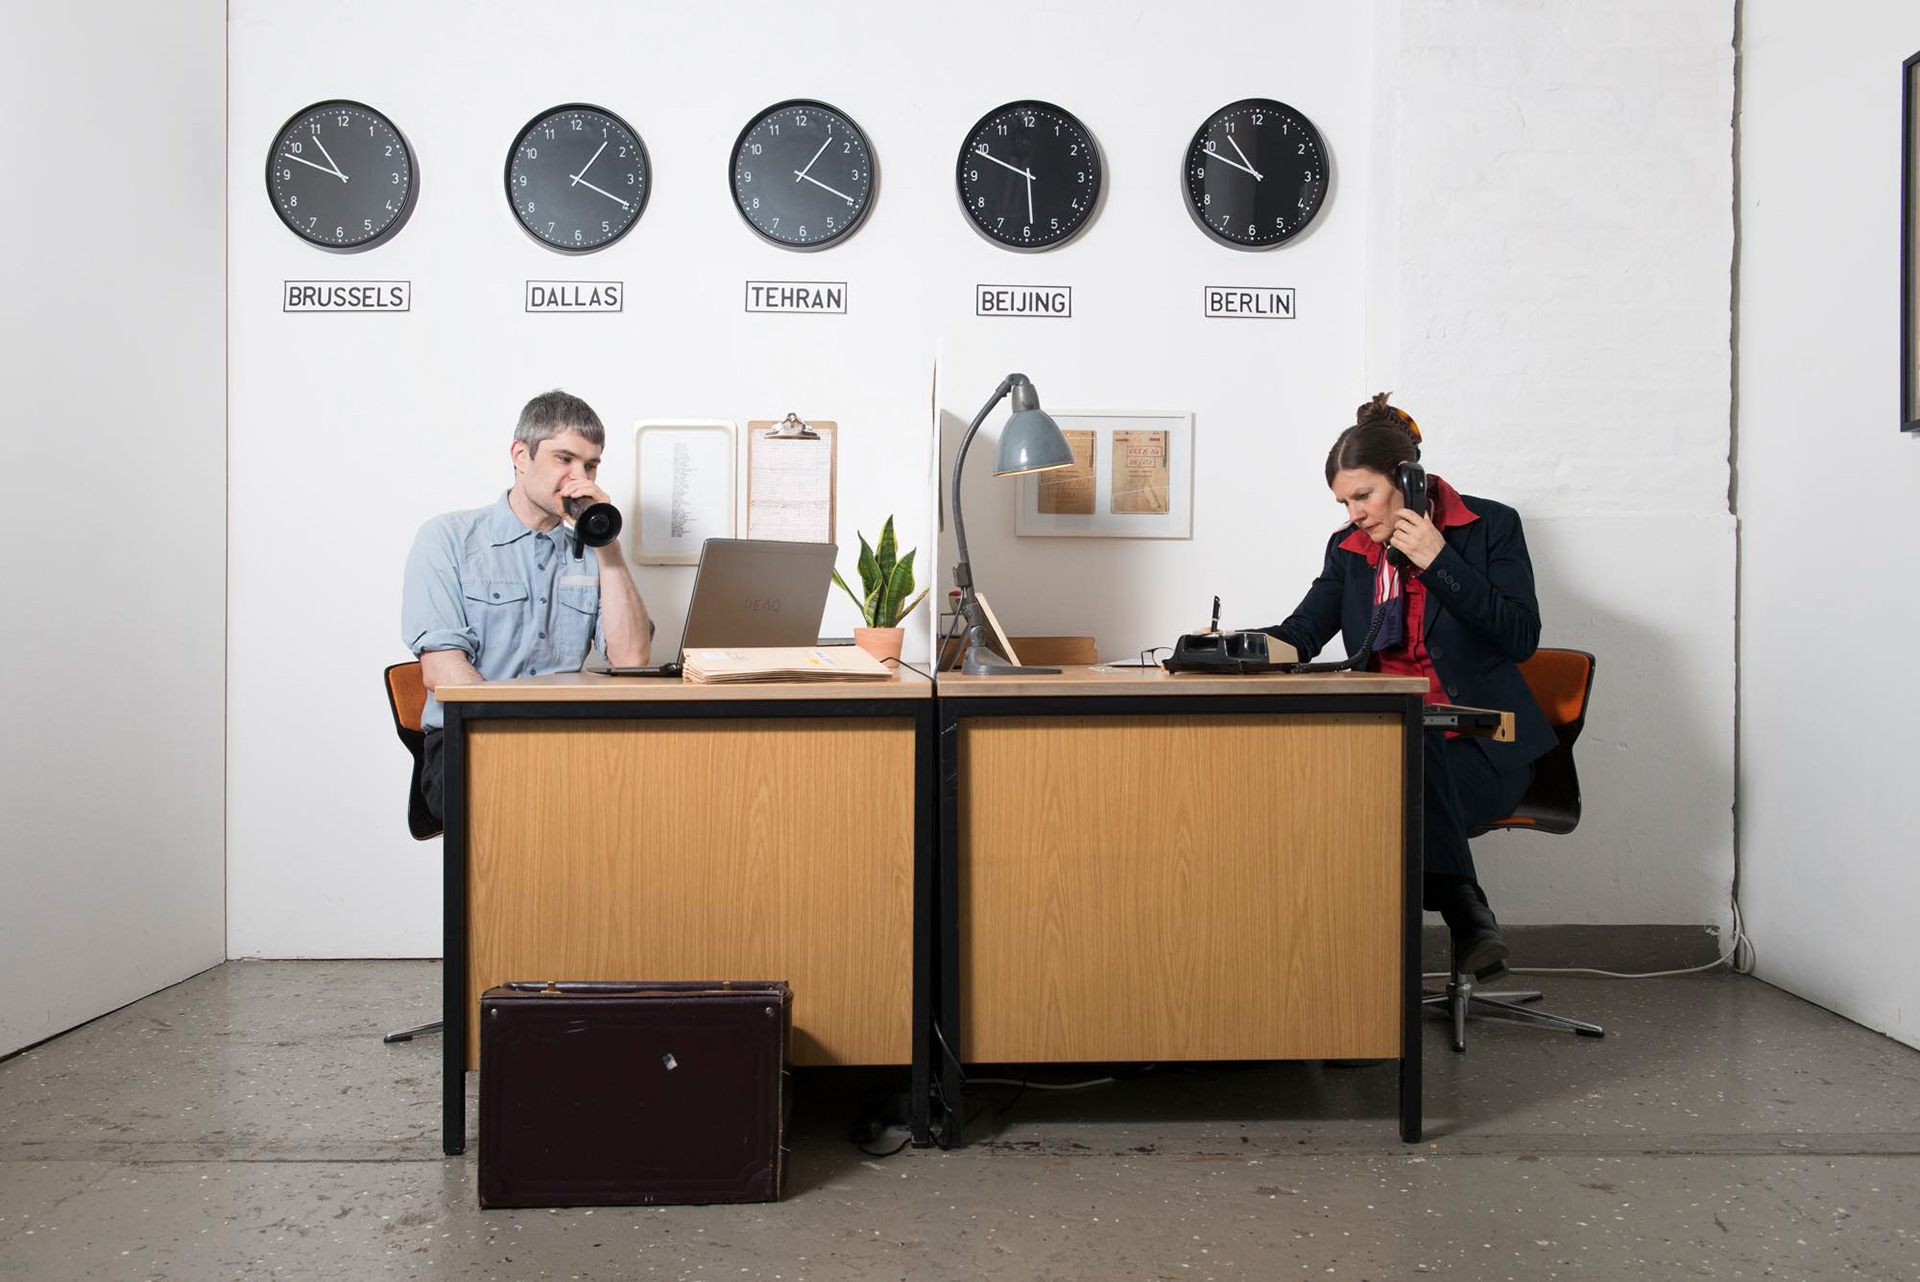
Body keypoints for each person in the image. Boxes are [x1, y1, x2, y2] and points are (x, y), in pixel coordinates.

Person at [1262, 394, 1555, 983]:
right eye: (1343, 502)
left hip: (1486, 751)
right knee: (1382, 759)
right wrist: (1217, 652)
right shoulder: (1351, 549)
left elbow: (1520, 637)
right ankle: (1465, 915)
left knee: (1403, 760)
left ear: (1410, 483)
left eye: (1362, 496)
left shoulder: (1491, 527)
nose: (1353, 515)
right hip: (1388, 750)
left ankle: (1360, 994)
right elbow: (1301, 634)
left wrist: (1439, 561)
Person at [401, 389, 653, 821]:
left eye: (591, 465)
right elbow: (443, 669)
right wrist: (521, 740)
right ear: (521, 454)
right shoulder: (448, 539)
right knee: (540, 810)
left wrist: (605, 543)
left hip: (567, 738)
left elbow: (630, 659)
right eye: (564, 459)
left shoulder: (593, 554)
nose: (580, 478)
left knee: (645, 798)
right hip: (469, 740)